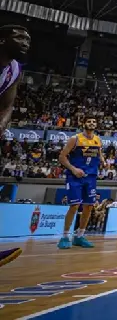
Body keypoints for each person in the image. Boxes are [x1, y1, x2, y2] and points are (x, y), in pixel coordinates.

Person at [0, 24, 29, 265]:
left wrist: (1, 126)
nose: (26, 41)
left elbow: (7, 105)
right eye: (19, 36)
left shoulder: (14, 69)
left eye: (28, 37)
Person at [57, 115, 102, 249]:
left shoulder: (98, 140)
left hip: (91, 177)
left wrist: (103, 161)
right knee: (75, 205)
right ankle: (65, 236)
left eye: (94, 121)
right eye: (89, 121)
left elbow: (99, 153)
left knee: (89, 206)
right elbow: (62, 157)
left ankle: (80, 236)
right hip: (75, 176)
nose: (92, 123)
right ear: (84, 123)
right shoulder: (75, 139)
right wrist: (73, 168)